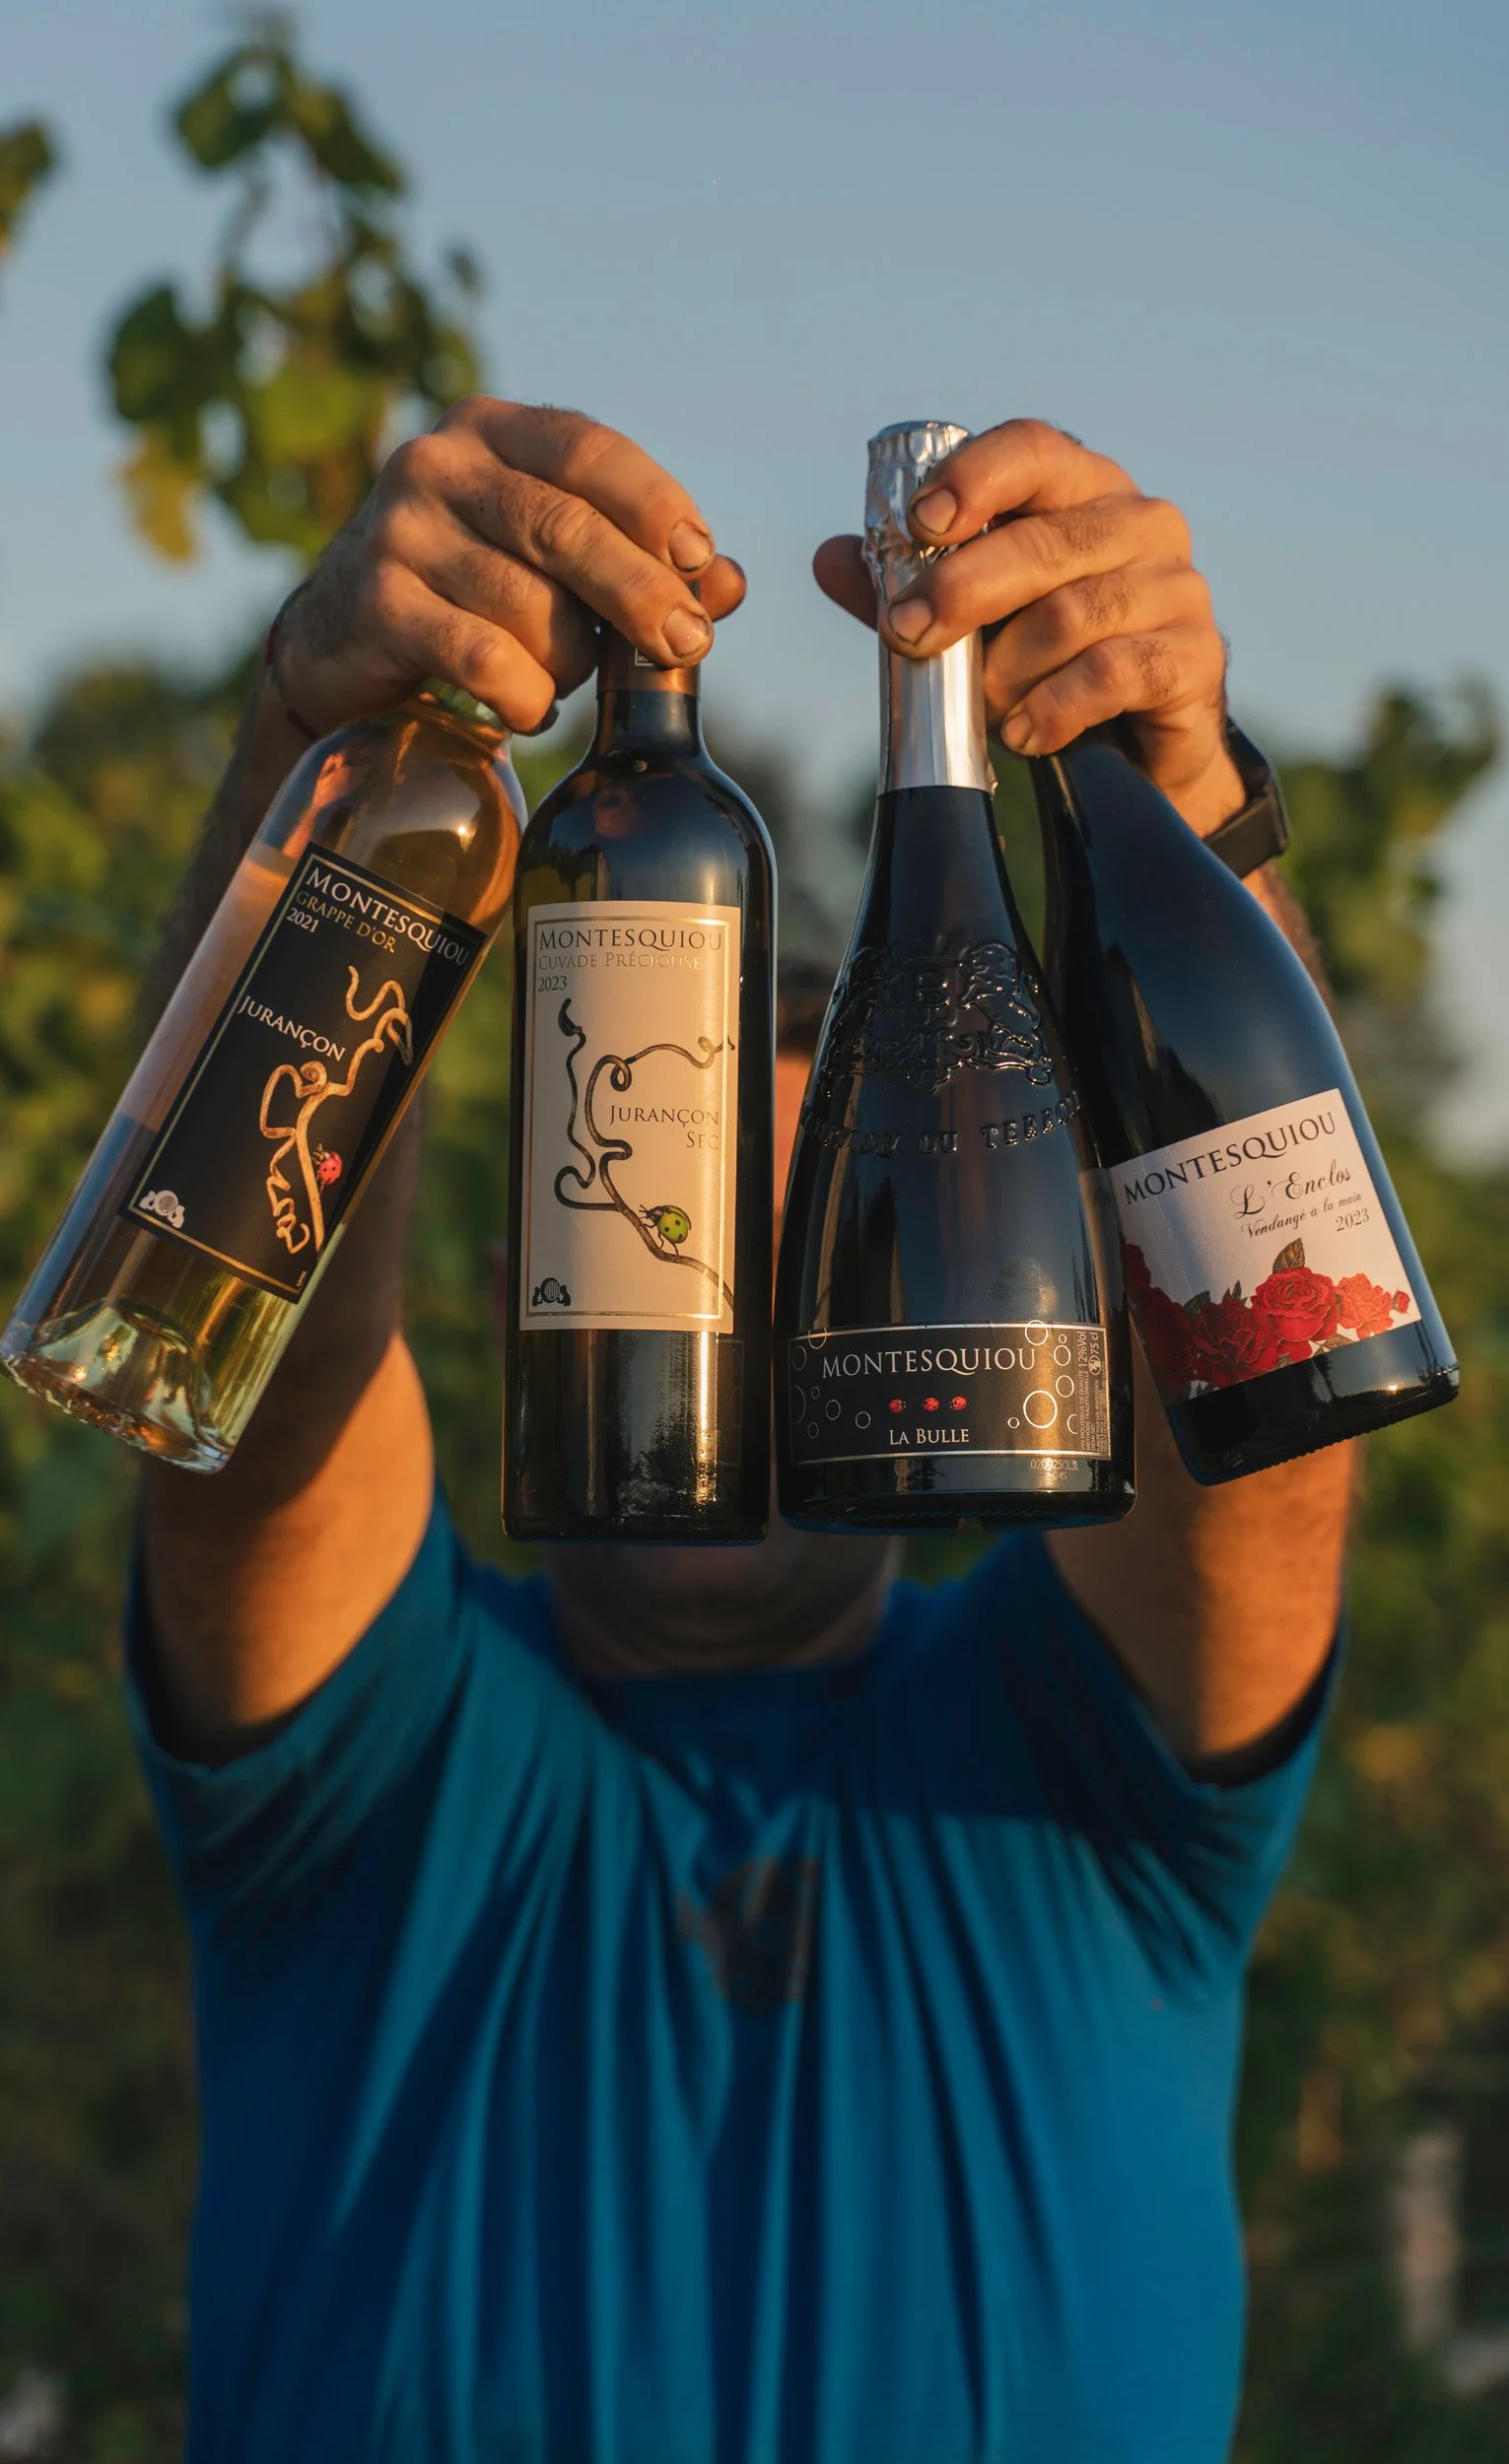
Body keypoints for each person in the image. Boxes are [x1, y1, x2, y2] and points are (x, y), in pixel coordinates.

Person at [133, 400, 1352, 2463]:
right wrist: (323, 771)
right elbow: (253, 1384)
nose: (725, 1324)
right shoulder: (379, 1762)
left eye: (806, 1248)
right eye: (665, 1237)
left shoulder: (1083, 1770)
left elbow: (1269, 1407)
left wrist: (1182, 809)